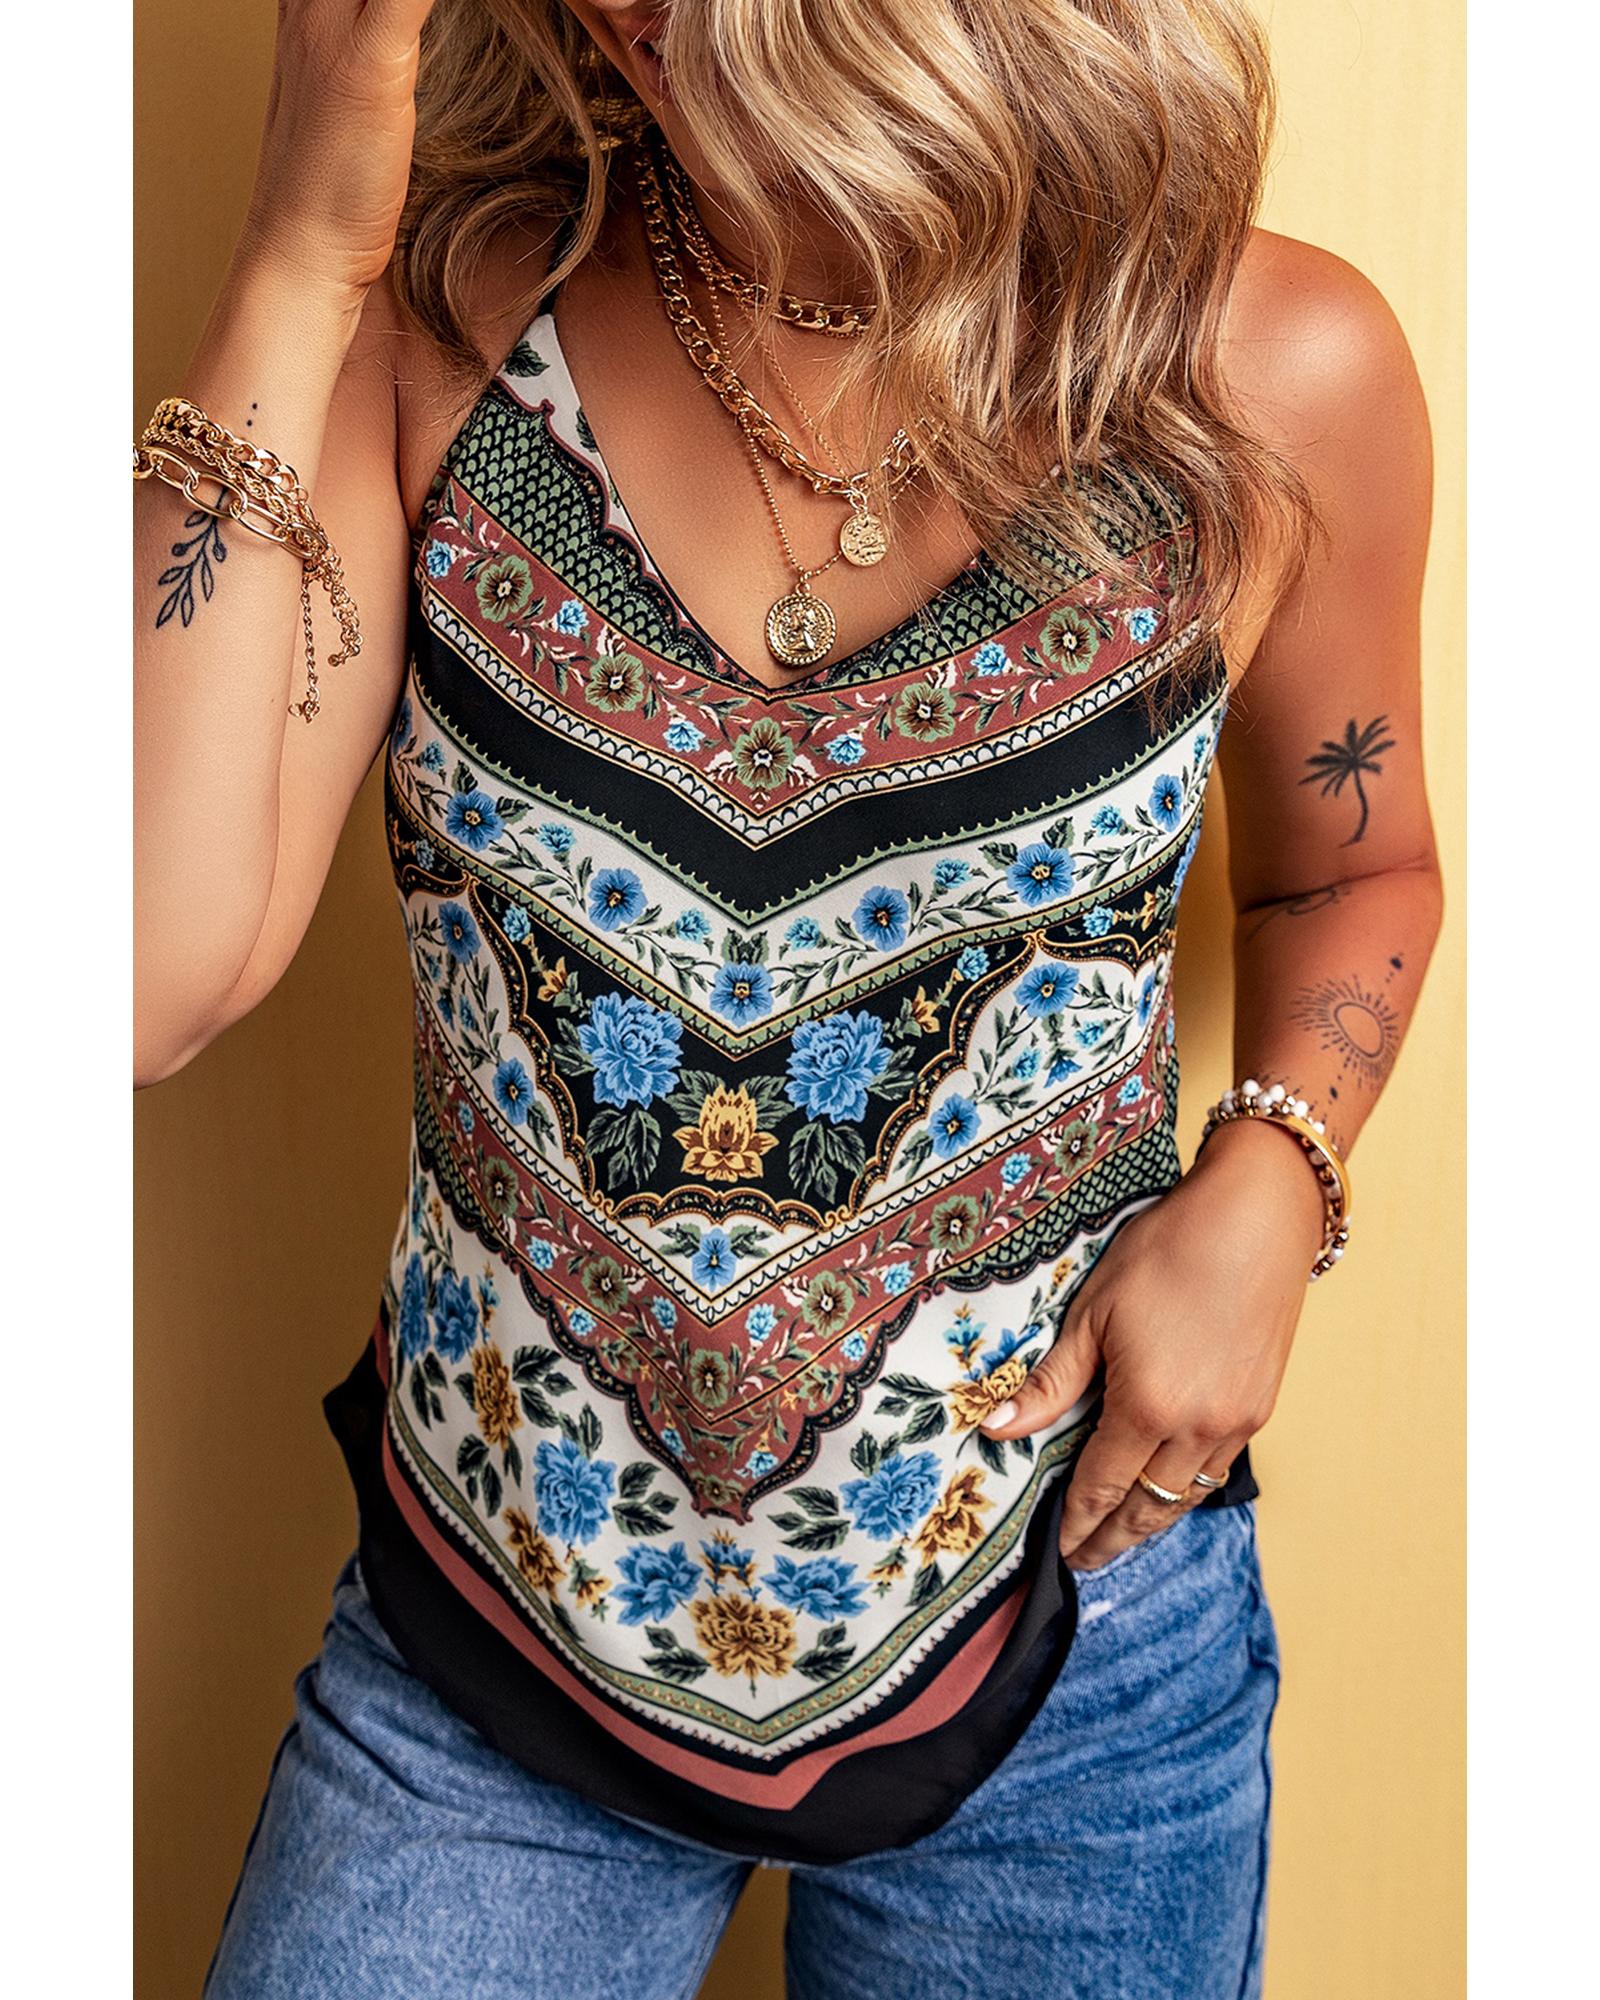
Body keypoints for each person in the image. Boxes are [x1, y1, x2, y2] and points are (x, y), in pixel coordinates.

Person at [134, 4, 1442, 1994]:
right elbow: (141, 975)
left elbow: (1358, 865)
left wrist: (1275, 1175)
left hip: (1076, 1623)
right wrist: (301, 248)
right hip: (490, 1634)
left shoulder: (1261, 369)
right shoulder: (437, 331)